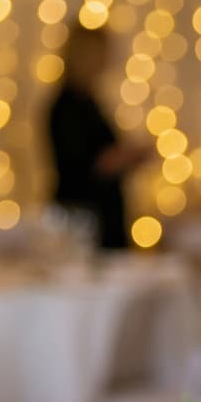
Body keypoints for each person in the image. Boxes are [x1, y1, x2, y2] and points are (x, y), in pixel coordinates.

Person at [47, 26, 148, 250]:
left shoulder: (90, 101)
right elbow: (84, 164)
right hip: (83, 217)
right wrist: (125, 156)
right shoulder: (67, 107)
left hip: (102, 212)